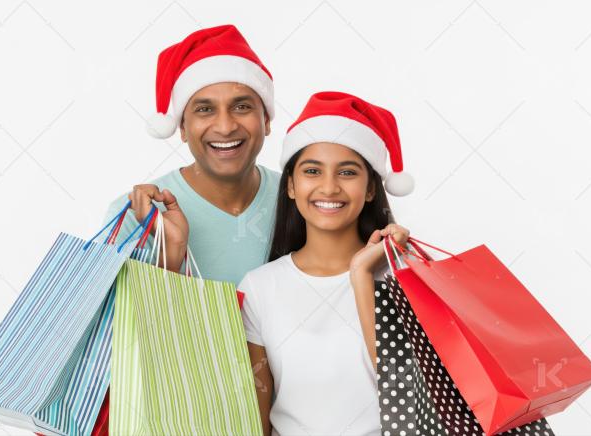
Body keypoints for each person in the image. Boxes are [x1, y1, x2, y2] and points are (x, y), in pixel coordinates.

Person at [239, 91, 415, 435]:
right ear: (291, 185)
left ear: (369, 189)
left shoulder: (405, 274)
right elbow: (254, 418)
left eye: (347, 172)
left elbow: (407, 394)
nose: (329, 187)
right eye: (312, 171)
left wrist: (362, 275)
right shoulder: (260, 287)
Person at [104, 24, 279, 285]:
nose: (225, 126)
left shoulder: (302, 202)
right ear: (182, 128)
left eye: (241, 106)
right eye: (205, 109)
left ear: (265, 120)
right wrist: (169, 258)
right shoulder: (135, 215)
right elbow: (109, 323)